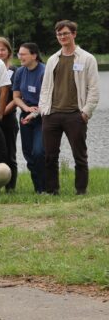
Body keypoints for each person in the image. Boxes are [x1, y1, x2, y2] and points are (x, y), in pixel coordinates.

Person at [38, 20, 99, 196]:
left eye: (65, 33)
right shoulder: (53, 59)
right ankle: (52, 190)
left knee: (80, 156)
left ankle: (81, 190)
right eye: (59, 34)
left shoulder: (87, 59)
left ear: (74, 34)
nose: (62, 36)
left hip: (75, 115)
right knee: (50, 156)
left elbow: (94, 89)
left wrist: (86, 112)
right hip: (52, 114)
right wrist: (43, 109)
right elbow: (45, 87)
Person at [12, 42, 45, 193]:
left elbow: (49, 99)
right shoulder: (20, 72)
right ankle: (38, 188)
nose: (20, 57)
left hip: (42, 116)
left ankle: (45, 187)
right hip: (26, 115)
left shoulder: (44, 71)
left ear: (34, 55)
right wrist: (26, 109)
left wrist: (34, 112)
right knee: (28, 153)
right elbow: (16, 96)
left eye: (23, 54)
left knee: (38, 152)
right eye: (19, 54)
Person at [0, 36, 19, 191]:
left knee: (9, 154)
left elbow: (17, 97)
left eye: (3, 50)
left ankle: (10, 188)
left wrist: (1, 113)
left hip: (7, 119)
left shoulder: (15, 71)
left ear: (8, 52)